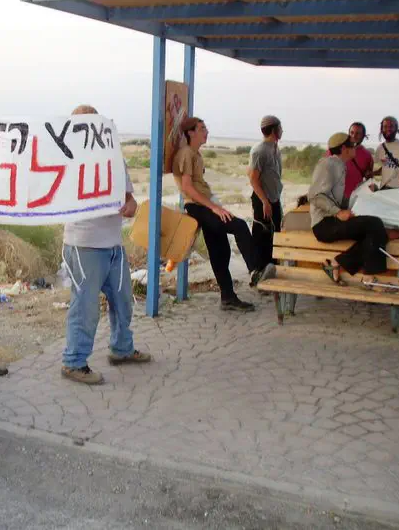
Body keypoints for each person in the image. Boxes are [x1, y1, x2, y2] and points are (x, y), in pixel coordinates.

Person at [61, 104, 151, 386]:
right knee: (85, 307)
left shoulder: (114, 158)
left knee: (123, 301)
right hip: (83, 244)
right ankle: (74, 362)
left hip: (113, 245)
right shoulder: (67, 160)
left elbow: (130, 200)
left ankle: (122, 349)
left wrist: (131, 207)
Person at [173, 117, 275, 312]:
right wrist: (214, 208)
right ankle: (256, 270)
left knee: (220, 251)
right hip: (197, 207)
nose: (206, 131)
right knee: (239, 226)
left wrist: (214, 205)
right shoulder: (186, 153)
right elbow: (187, 187)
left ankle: (228, 297)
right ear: (191, 133)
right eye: (202, 128)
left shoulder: (195, 154)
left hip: (203, 205)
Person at [309, 132, 389, 285]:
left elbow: (341, 200)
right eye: (352, 145)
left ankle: (336, 264)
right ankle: (369, 278)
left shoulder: (340, 165)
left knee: (378, 233)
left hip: (332, 220)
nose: (356, 147)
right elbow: (314, 195)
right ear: (344, 148)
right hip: (323, 224)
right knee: (375, 224)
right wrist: (338, 212)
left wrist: (364, 191)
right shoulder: (327, 164)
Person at [248, 115, 283, 271]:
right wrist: (265, 202)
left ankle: (271, 270)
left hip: (274, 199)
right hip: (263, 201)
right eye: (280, 128)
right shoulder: (259, 150)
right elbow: (253, 179)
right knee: (261, 237)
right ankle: (258, 272)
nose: (282, 131)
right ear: (274, 130)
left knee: (274, 237)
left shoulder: (275, 147)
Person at [374, 116, 399, 190]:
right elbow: (379, 170)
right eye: (385, 126)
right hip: (384, 188)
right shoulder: (380, 148)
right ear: (382, 129)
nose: (388, 129)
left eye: (391, 126)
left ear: (396, 128)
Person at [342, 122, 374, 199]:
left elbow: (369, 178)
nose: (354, 136)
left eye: (358, 133)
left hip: (355, 196)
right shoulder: (339, 149)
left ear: (363, 136)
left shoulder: (367, 155)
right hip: (335, 196)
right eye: (352, 132)